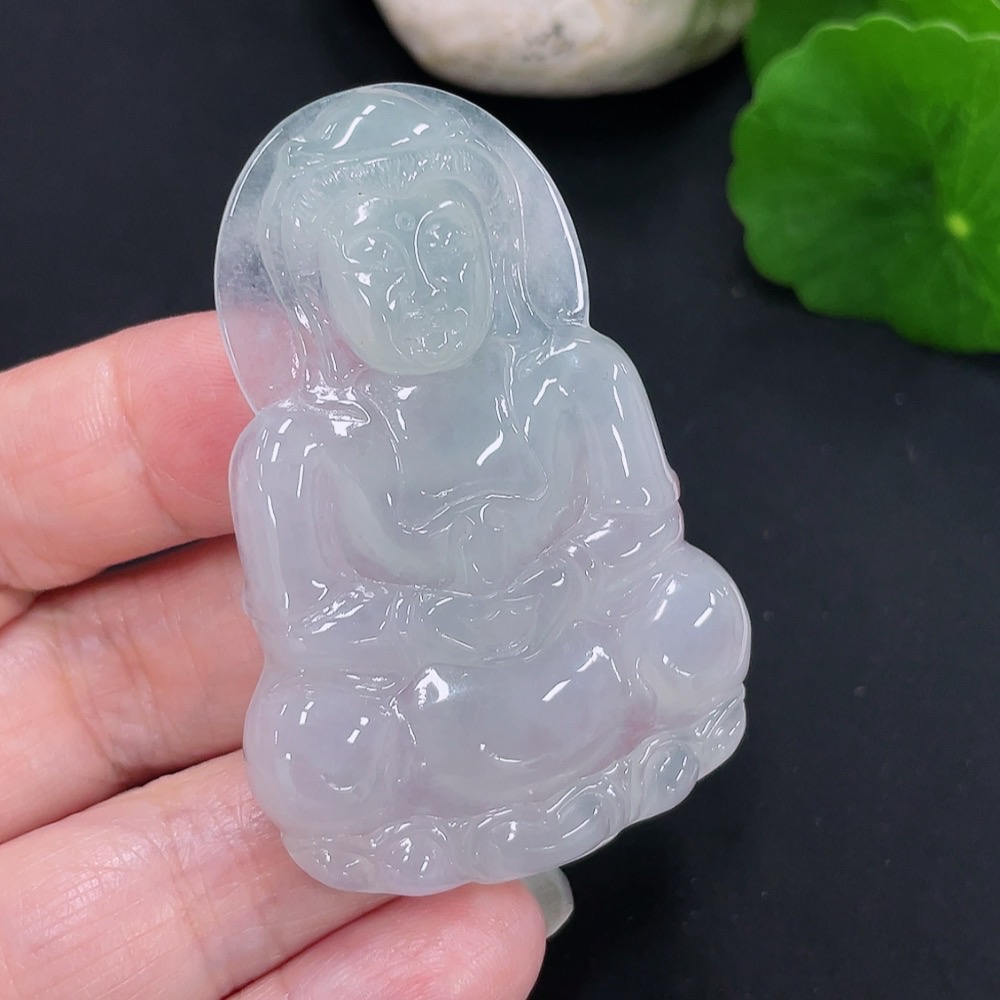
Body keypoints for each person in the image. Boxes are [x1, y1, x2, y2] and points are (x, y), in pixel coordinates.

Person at [0, 311, 547, 999]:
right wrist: (429, 618)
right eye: (376, 265)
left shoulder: (558, 383)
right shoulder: (297, 448)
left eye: (444, 255)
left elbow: (629, 531)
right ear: (323, 297)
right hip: (407, 690)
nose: (421, 293)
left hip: (548, 657)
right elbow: (307, 623)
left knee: (673, 622)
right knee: (316, 746)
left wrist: (550, 587)